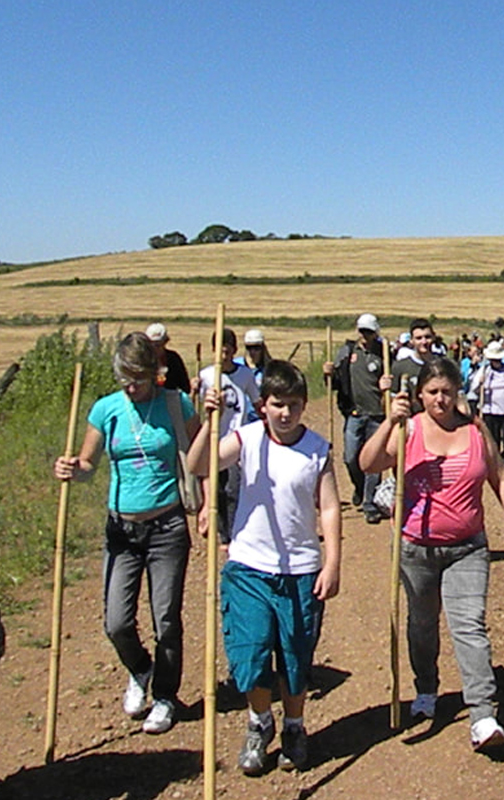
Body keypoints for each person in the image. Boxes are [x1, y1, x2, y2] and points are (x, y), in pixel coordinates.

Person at [360, 357, 504, 752]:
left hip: (467, 547)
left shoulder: (474, 431)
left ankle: (483, 714)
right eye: (432, 392)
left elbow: (499, 476)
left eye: (447, 392)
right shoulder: (409, 430)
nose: (440, 400)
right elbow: (368, 463)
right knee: (421, 625)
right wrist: (390, 421)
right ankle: (426, 690)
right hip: (416, 547)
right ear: (420, 394)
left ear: (457, 394)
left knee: (469, 626)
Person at [188, 360, 341, 774]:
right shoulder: (247, 439)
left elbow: (328, 508)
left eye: (293, 404)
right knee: (251, 653)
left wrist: (332, 562)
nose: (285, 413)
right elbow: (198, 466)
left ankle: (294, 726)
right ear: (262, 405)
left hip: (300, 571)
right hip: (249, 567)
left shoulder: (318, 450)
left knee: (294, 658)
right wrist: (208, 421)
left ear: (304, 404)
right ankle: (260, 722)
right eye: (277, 404)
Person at [54, 332, 199, 735]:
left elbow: (201, 450)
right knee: (116, 622)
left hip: (167, 527)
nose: (131, 386)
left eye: (138, 377)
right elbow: (88, 463)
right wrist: (72, 468)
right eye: (125, 378)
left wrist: (204, 506)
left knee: (166, 619)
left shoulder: (175, 403)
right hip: (121, 530)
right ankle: (140, 668)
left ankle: (166, 696)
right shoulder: (106, 409)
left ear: (155, 373)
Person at [325, 313, 391, 524]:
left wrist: (388, 385)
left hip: (377, 416)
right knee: (350, 457)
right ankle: (360, 487)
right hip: (354, 413)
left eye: (369, 332)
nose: (365, 335)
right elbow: (336, 380)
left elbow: (394, 381)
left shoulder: (384, 354)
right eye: (362, 331)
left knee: (374, 461)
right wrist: (328, 373)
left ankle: (369, 502)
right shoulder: (347, 352)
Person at [197, 329, 261, 543]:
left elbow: (257, 401)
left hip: (236, 439)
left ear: (234, 351)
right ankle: (222, 531)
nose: (223, 357)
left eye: (228, 351)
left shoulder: (244, 375)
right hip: (214, 438)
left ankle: (234, 534)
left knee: (233, 488)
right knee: (216, 489)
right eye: (219, 352)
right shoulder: (206, 376)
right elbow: (195, 405)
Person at [469, 340, 504, 471]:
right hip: (490, 410)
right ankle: (495, 461)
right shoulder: (485, 371)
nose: (495, 361)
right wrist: (479, 382)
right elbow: (474, 389)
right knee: (493, 437)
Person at [146, 322, 192, 394]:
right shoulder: (143, 361)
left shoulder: (173, 359)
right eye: (152, 344)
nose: (155, 347)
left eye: (158, 344)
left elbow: (185, 387)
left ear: (165, 342)